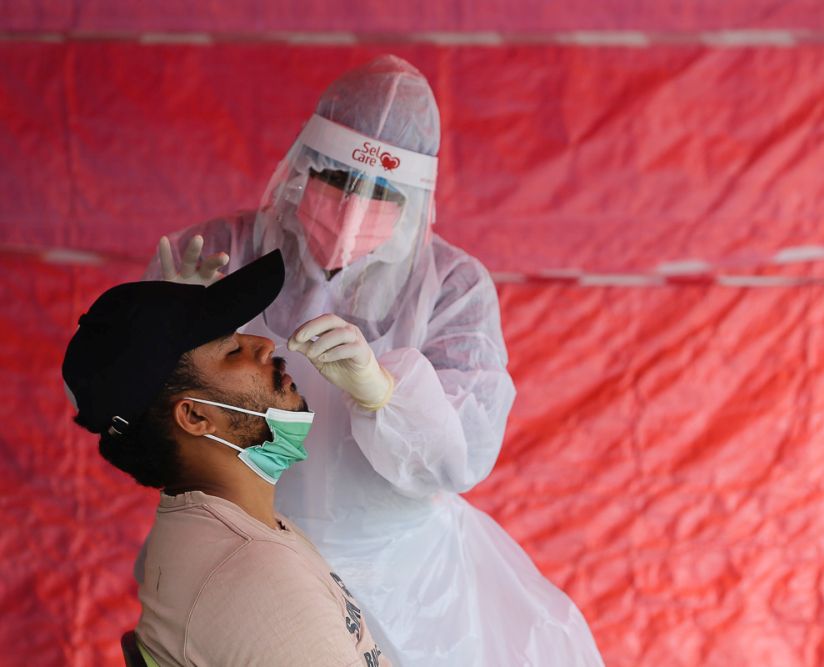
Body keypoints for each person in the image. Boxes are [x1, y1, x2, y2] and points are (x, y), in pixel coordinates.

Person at [149, 55, 604, 664]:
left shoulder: (450, 289)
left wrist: (386, 393)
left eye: (381, 192)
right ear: (303, 164)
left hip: (410, 589)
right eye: (336, 178)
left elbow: (458, 458)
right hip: (239, 552)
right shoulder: (221, 254)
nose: (353, 208)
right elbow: (119, 412)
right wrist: (157, 332)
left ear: (415, 199)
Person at [63, 250, 389, 667]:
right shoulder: (257, 579)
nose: (264, 345)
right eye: (232, 350)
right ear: (195, 416)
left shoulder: (232, 533)